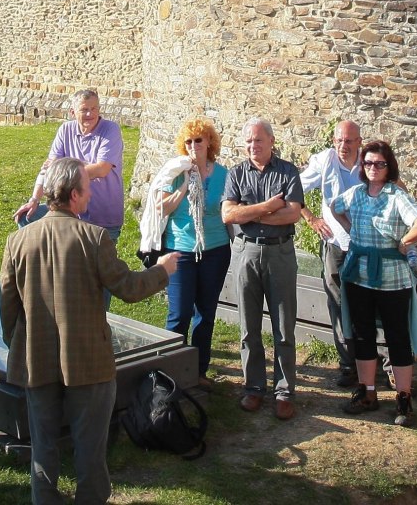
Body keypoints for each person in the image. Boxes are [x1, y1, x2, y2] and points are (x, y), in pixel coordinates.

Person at [0, 158, 179, 505]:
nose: (92, 191)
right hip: (89, 362)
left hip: (35, 359)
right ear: (74, 194)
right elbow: (127, 287)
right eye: (88, 185)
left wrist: (18, 344)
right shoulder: (93, 238)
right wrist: (162, 271)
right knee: (90, 447)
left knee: (44, 444)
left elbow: (8, 304)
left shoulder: (18, 240)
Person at [221, 117, 319, 420]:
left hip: (280, 254)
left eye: (258, 140)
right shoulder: (236, 173)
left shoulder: (287, 172)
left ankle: (284, 391)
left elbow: (291, 214)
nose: (253, 146)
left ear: (271, 141)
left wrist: (249, 214)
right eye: (249, 141)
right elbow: (228, 214)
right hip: (246, 253)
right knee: (249, 326)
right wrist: (266, 207)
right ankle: (253, 387)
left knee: (283, 324)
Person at [331, 139, 417, 426]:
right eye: (368, 163)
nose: (373, 168)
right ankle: (367, 392)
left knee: (398, 338)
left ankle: (403, 398)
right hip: (360, 276)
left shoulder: (397, 195)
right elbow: (335, 206)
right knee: (362, 335)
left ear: (389, 167)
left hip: (392, 280)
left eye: (379, 164)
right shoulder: (356, 193)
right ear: (362, 167)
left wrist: (405, 242)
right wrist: (351, 231)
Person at [152, 118, 230, 383]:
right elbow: (161, 208)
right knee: (180, 313)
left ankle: (198, 371)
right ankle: (168, 375)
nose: (194, 146)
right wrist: (184, 188)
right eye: (189, 142)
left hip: (215, 249)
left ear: (209, 142)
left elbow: (227, 210)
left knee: (205, 314)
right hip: (180, 249)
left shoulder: (222, 174)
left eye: (199, 140)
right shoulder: (176, 171)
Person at [301, 120, 364, 388]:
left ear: (359, 142)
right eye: (339, 140)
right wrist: (311, 218)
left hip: (367, 247)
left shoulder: (371, 161)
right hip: (336, 244)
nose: (343, 146)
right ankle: (348, 365)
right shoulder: (325, 162)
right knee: (338, 305)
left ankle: (375, 362)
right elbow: (293, 188)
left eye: (349, 141)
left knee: (369, 305)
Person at [16, 89, 125, 241]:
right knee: (26, 217)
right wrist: (34, 199)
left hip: (102, 216)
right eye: (84, 110)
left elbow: (102, 169)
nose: (90, 114)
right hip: (69, 209)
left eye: (94, 109)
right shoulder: (66, 130)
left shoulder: (110, 130)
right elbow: (48, 169)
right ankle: (40, 261)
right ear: (73, 113)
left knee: (93, 263)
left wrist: (63, 168)